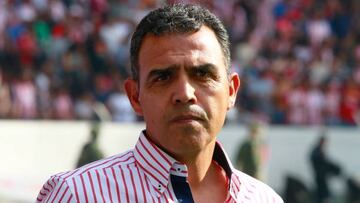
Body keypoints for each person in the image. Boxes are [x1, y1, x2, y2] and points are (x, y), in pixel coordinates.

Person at [36, 4, 283, 202]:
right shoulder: (77, 195)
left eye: (202, 74)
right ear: (135, 96)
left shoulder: (264, 198)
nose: (185, 93)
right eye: (163, 77)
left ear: (231, 91)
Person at [310, 134, 341, 203]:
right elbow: (320, 162)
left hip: (322, 176)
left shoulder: (318, 151)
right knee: (321, 194)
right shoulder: (317, 151)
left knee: (323, 194)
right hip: (320, 176)